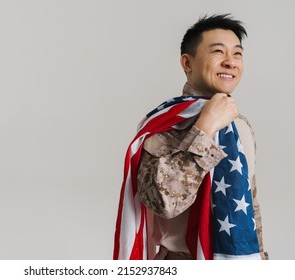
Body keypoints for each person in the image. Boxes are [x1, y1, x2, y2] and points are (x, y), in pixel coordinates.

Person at [113, 14, 268, 260]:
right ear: (187, 62)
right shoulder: (166, 124)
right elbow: (164, 202)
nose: (230, 62)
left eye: (237, 54)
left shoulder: (241, 126)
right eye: (218, 52)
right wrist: (204, 130)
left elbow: (249, 203)